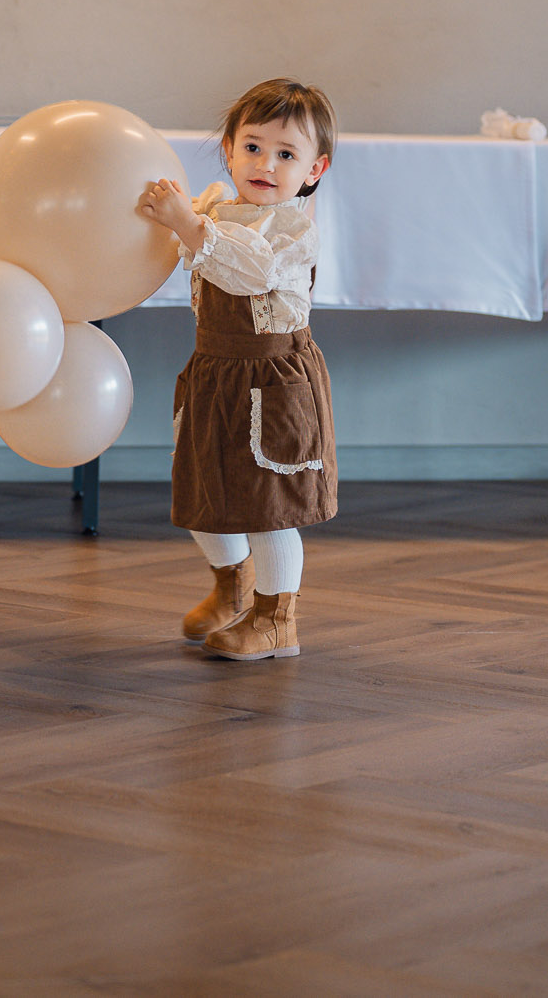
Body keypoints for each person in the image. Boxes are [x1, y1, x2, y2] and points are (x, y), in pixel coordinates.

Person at [137, 78, 338, 660]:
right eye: (252, 147)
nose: (265, 165)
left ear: (314, 169)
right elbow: (186, 245)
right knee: (205, 494)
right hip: (214, 371)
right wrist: (174, 217)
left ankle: (276, 622)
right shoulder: (212, 210)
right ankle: (232, 588)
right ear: (228, 149)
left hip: (272, 379)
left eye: (286, 154)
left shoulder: (294, 230)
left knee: (267, 508)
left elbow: (251, 270)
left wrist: (188, 225)